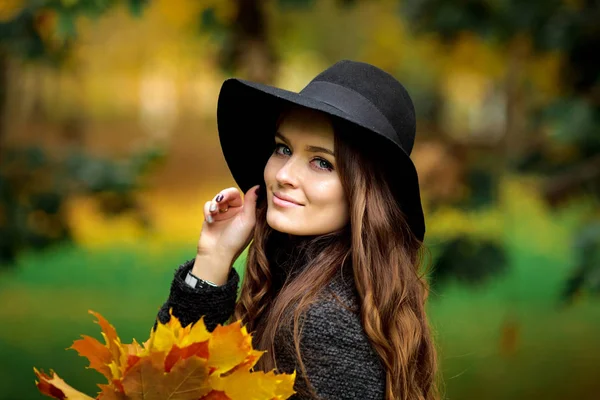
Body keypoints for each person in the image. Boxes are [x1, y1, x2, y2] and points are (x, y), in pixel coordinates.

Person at [155, 60, 440, 400]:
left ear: (365, 193)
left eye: (322, 162)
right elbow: (166, 379)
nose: (284, 174)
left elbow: (164, 390)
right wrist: (214, 256)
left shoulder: (320, 322)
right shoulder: (311, 285)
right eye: (283, 148)